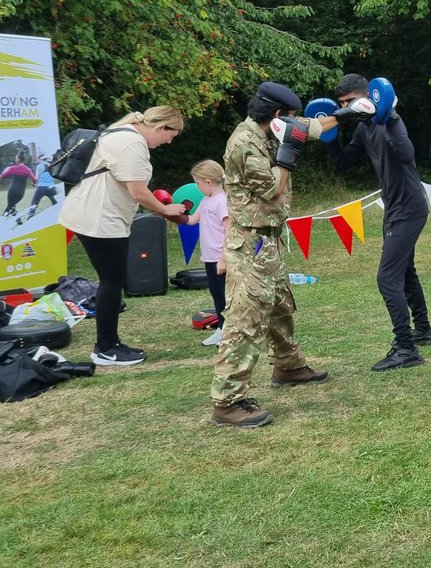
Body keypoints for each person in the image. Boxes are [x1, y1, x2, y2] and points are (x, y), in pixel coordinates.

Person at [210, 82, 367, 427]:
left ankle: (288, 366)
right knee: (246, 319)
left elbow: (311, 127)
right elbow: (273, 187)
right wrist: (289, 153)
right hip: (250, 243)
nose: (295, 122)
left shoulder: (270, 130)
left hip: (270, 240)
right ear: (278, 115)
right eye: (290, 116)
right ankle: (227, 401)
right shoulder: (244, 144)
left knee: (281, 306)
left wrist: (346, 114)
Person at [328, 74, 431, 371]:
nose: (346, 107)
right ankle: (424, 331)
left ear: (367, 97)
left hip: (408, 208)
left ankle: (406, 349)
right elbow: (343, 164)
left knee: (387, 278)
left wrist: (388, 118)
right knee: (404, 272)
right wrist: (331, 137)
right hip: (395, 207)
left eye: (349, 102)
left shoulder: (391, 120)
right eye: (342, 104)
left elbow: (406, 153)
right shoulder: (364, 127)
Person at [59, 106, 187, 366]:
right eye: (171, 136)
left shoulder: (122, 133)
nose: (169, 142)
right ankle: (105, 348)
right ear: (160, 127)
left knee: (112, 280)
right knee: (112, 281)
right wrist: (165, 210)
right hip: (99, 220)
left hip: (92, 216)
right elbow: (138, 192)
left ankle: (110, 343)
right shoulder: (131, 143)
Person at [187, 160, 230, 347]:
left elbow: (229, 231)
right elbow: (191, 220)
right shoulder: (205, 201)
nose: (197, 187)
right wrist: (169, 212)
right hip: (209, 258)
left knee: (226, 296)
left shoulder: (222, 202)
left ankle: (230, 332)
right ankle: (222, 328)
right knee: (216, 294)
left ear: (208, 181)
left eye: (198, 183)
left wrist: (223, 259)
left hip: (221, 259)